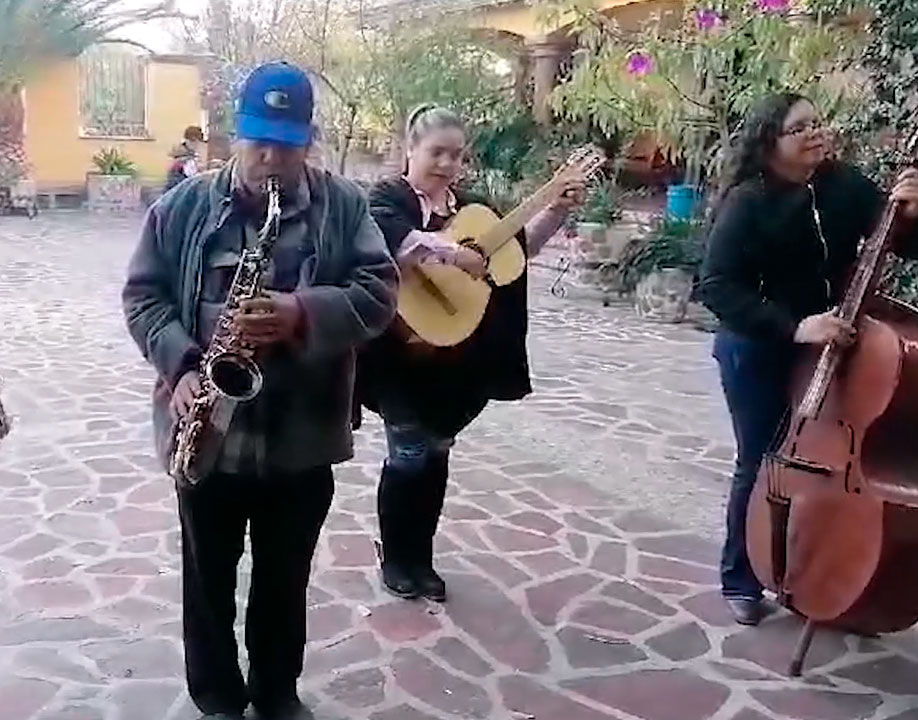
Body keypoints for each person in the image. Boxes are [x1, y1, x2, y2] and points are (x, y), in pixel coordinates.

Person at [122, 62, 398, 720]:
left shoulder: (345, 206)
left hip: (301, 437)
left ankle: (277, 693)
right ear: (234, 135)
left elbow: (380, 294)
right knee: (206, 578)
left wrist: (302, 312)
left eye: (287, 145)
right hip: (206, 433)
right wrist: (182, 367)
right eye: (258, 142)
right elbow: (143, 297)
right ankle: (217, 695)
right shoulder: (180, 208)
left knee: (285, 577)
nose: (270, 159)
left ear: (309, 141)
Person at [698, 92, 918, 626]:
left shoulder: (843, 185)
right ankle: (741, 577)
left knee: (824, 460)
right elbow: (716, 286)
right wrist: (795, 327)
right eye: (800, 128)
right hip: (756, 345)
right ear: (770, 142)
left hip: (832, 343)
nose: (816, 133)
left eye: (818, 123)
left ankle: (812, 572)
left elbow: (907, 243)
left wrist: (915, 213)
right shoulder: (749, 201)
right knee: (762, 459)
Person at [358, 104, 584, 602]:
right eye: (436, 152)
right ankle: (396, 558)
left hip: (457, 359)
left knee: (437, 453)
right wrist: (453, 254)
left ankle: (421, 559)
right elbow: (394, 238)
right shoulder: (387, 198)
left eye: (456, 155)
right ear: (411, 149)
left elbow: (517, 250)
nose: (446, 163)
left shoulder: (474, 210)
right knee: (409, 455)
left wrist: (556, 208)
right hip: (397, 356)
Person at [165, 125, 206, 193]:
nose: (197, 145)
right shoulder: (185, 159)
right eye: (195, 142)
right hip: (179, 192)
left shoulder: (180, 154)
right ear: (189, 140)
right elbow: (192, 178)